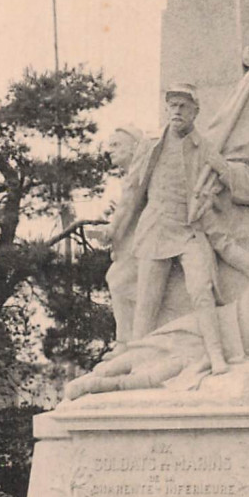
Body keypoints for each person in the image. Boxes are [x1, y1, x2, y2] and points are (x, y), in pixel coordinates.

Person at [110, 83, 249, 374]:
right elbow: (132, 192)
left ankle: (215, 355)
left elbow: (246, 188)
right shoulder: (151, 144)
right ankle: (135, 364)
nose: (177, 110)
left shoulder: (205, 147)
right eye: (173, 105)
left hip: (191, 231)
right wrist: (114, 230)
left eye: (184, 105)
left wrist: (220, 166)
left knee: (202, 290)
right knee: (147, 302)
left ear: (196, 111)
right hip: (156, 229)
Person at [63, 254, 249, 400]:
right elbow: (229, 246)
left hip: (234, 347)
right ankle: (101, 372)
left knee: (166, 372)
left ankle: (97, 387)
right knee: (156, 343)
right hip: (216, 320)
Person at [83, 125, 143, 346]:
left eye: (117, 145)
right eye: (110, 146)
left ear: (135, 147)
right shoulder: (132, 174)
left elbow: (128, 206)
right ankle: (129, 340)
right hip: (133, 242)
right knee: (118, 281)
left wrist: (110, 230)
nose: (110, 150)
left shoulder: (138, 173)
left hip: (144, 242)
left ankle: (128, 341)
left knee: (118, 280)